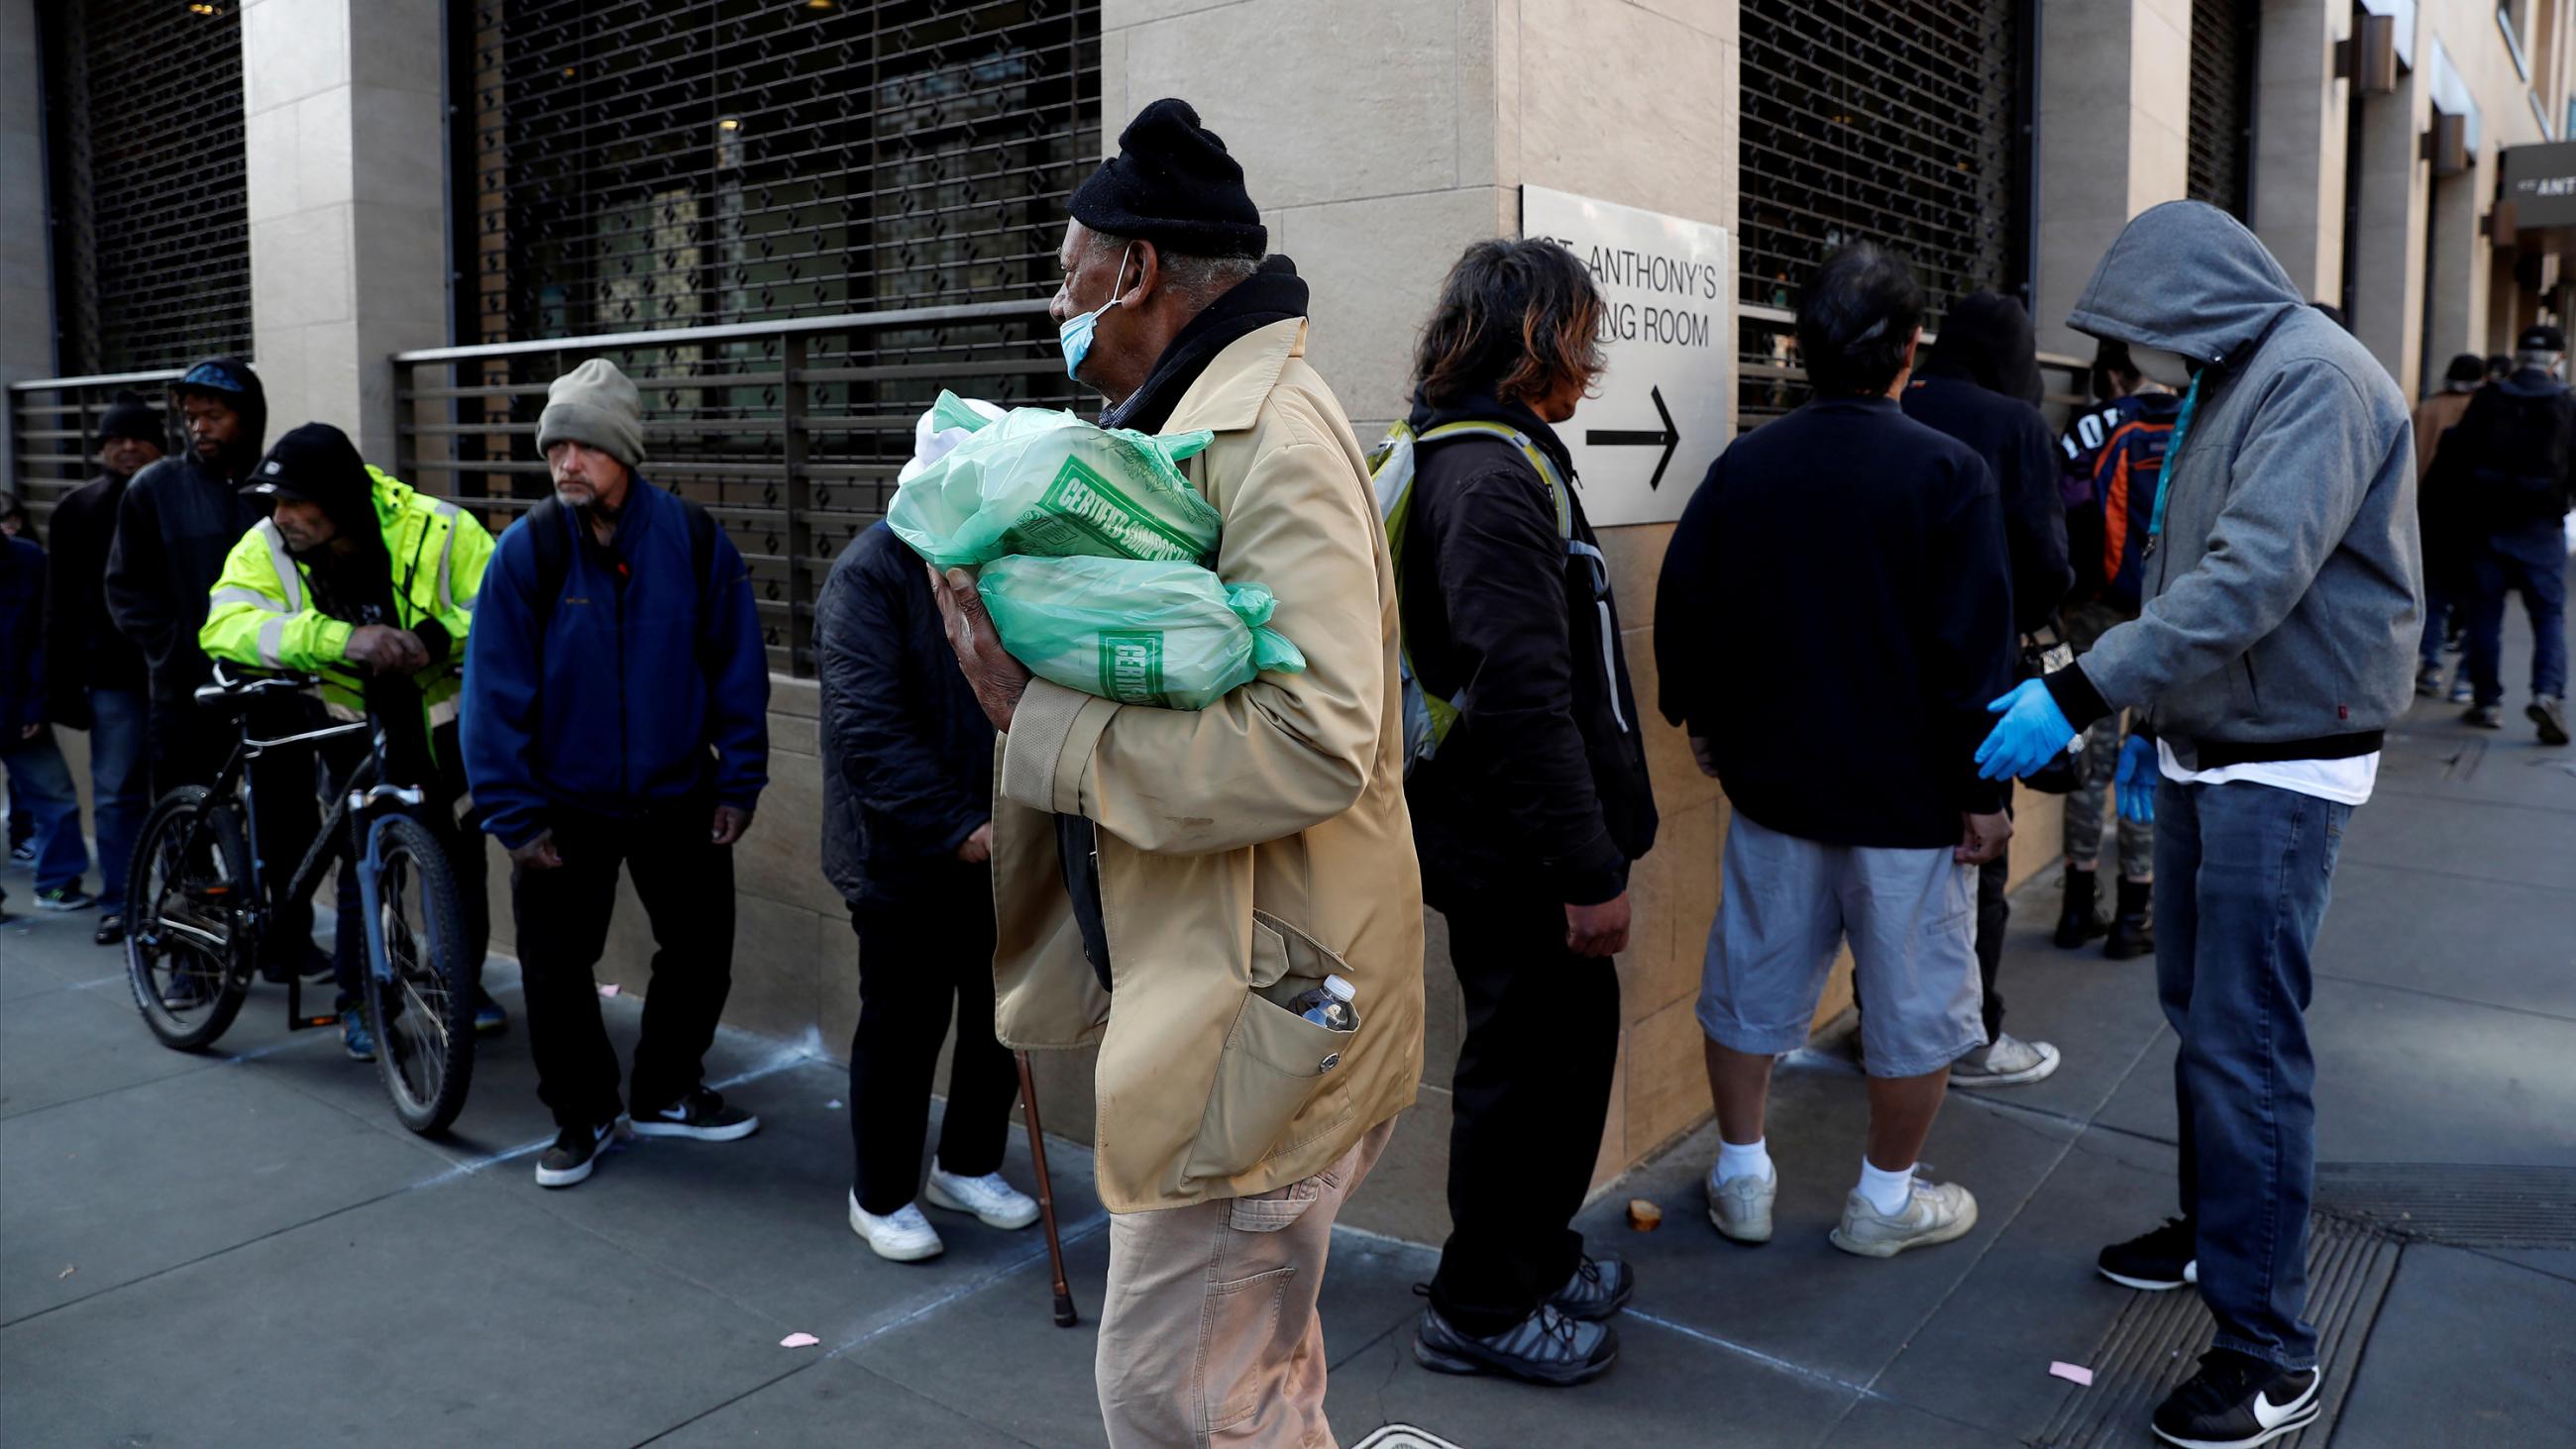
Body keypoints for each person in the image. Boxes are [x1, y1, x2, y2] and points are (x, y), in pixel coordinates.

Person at [930, 98, 1425, 1444]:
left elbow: (1321, 734)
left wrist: (1031, 713)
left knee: (1172, 1401)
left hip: (1263, 1013)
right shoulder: (1191, 419)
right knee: (1245, 1382)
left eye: (1068, 270)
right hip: (1240, 994)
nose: (1057, 302)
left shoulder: (1265, 432)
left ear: (1137, 270)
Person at [1978, 201, 2418, 1449]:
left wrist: (2077, 685)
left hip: (2279, 761)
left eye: (2145, 327)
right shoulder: (2243, 370)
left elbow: (2247, 577)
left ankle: (2270, 1349)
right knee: (2202, 1020)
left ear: (2199, 296)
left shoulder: (2315, 381)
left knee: (2244, 1044)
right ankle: (2213, 1225)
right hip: (2212, 745)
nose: (2138, 354)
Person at [1657, 243, 2014, 1264]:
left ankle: (1741, 1174)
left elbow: (1683, 607)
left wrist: (1705, 720)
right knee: (1912, 1009)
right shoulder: (1948, 472)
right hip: (1909, 805)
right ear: (1910, 349)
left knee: (1748, 985)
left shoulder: (1745, 463)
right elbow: (1971, 650)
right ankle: (1881, 1200)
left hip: (1774, 788)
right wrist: (1983, 790)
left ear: (1802, 348)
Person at [1396, 239, 1658, 1386]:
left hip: (1513, 839)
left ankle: (1534, 1256)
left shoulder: (1485, 453)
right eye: (1582, 334)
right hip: (1513, 850)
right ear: (1539, 337)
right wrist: (1586, 867)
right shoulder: (1489, 475)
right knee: (1520, 1075)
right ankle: (1480, 1304)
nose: (1592, 360)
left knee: (1559, 1064)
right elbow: (1520, 693)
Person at [462, 358, 770, 1190]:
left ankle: (668, 1087)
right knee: (557, 970)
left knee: (701, 953)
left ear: (624, 452)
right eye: (555, 445)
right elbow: (489, 695)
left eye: (585, 447)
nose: (566, 462)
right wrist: (515, 817)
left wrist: (738, 783)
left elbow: (738, 668)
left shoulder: (695, 539)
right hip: (565, 804)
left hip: (679, 792)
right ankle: (583, 1111)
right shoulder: (525, 552)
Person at [199, 423, 505, 1060]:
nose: (280, 517)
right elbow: (225, 623)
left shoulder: (440, 529)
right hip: (347, 723)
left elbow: (505, 607)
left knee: (458, 858)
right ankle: (360, 1000)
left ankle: (459, 984)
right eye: (272, 502)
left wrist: (436, 639)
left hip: (444, 724)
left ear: (339, 501)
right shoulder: (268, 544)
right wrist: (340, 641)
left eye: (293, 503)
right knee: (363, 858)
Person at [816, 520, 1037, 1262]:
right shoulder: (869, 572)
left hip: (1000, 836)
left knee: (998, 1018)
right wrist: (958, 823)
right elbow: (865, 726)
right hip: (900, 850)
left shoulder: (998, 558)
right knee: (903, 1027)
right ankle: (879, 1195)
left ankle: (966, 1164)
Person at [104, 358, 329, 982]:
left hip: (277, 688)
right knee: (188, 825)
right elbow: (126, 591)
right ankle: (193, 956)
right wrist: (176, 652)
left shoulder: (277, 489)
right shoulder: (154, 489)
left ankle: (288, 943)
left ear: (248, 418)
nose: (200, 427)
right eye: (192, 416)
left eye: (216, 415)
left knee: (290, 817)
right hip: (186, 692)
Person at [1899, 289, 2073, 1089]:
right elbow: (2043, 570)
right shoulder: (2014, 425)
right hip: (1976, 682)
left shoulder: (1887, 399)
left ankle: (1886, 1028)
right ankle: (1972, 1039)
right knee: (1979, 861)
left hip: (1874, 684)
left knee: (1888, 868)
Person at [2053, 339, 2179, 960]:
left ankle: (2077, 905)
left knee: (2090, 761)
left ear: (2109, 372)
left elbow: (2062, 519)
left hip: (2095, 613)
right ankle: (2136, 912)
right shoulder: (2192, 423)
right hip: (2165, 617)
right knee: (2143, 765)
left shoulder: (2091, 428)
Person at [43, 391, 162, 943]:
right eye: (116, 439)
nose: (127, 448)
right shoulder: (78, 508)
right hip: (112, 677)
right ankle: (121, 901)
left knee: (192, 791)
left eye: (138, 437)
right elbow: (60, 602)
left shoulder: (181, 496)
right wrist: (62, 683)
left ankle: (185, 903)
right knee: (116, 793)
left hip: (181, 671)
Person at [2434, 325, 2571, 745]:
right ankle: (2547, 694)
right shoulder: (2566, 404)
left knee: (2484, 617)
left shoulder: (2490, 399)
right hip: (2540, 530)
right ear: (2557, 360)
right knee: (2547, 616)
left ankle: (2487, 701)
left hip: (2487, 528)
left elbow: (2457, 460)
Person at [0, 515, 91, 916]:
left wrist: (36, 701)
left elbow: (43, 633)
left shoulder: (27, 559)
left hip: (17, 701)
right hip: (18, 698)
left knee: (55, 797)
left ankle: (56, 884)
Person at [2411, 354, 2488, 703]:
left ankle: (2431, 663)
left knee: (2435, 595)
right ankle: (2466, 677)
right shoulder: (2486, 410)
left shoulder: (2426, 409)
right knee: (2475, 602)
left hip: (2428, 512)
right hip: (2474, 519)